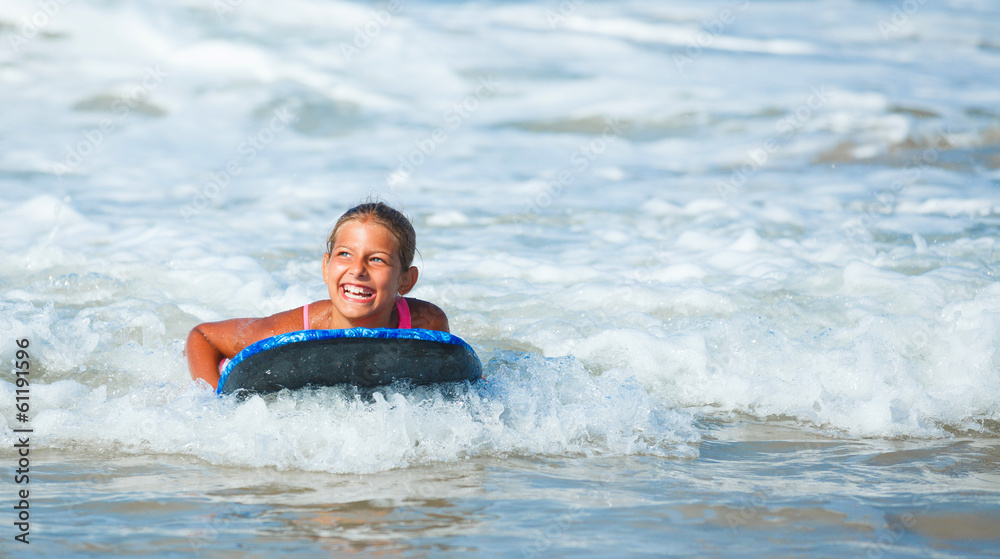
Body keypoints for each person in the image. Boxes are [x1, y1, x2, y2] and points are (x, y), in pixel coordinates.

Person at [186, 201, 449, 389]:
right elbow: (203, 336)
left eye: (377, 259)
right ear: (326, 267)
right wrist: (212, 402)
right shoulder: (287, 334)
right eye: (345, 254)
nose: (357, 270)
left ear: (406, 280)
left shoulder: (426, 325)